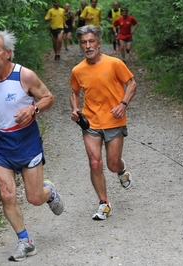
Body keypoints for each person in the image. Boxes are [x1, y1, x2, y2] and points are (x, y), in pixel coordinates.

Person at [0, 30, 64, 261]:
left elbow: (48, 98)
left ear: (7, 52)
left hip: (26, 141)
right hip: (0, 144)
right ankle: (25, 241)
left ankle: (49, 192)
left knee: (34, 198)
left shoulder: (24, 75)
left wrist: (33, 109)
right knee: (6, 195)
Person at [69, 25, 137, 221]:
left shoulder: (114, 63)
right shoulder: (78, 70)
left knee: (112, 164)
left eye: (91, 41)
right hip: (90, 123)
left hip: (114, 120)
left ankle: (122, 170)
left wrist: (123, 104)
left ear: (99, 43)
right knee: (95, 162)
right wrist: (75, 109)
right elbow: (74, 92)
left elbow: (132, 83)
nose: (88, 46)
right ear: (80, 45)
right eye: (84, 42)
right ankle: (104, 203)